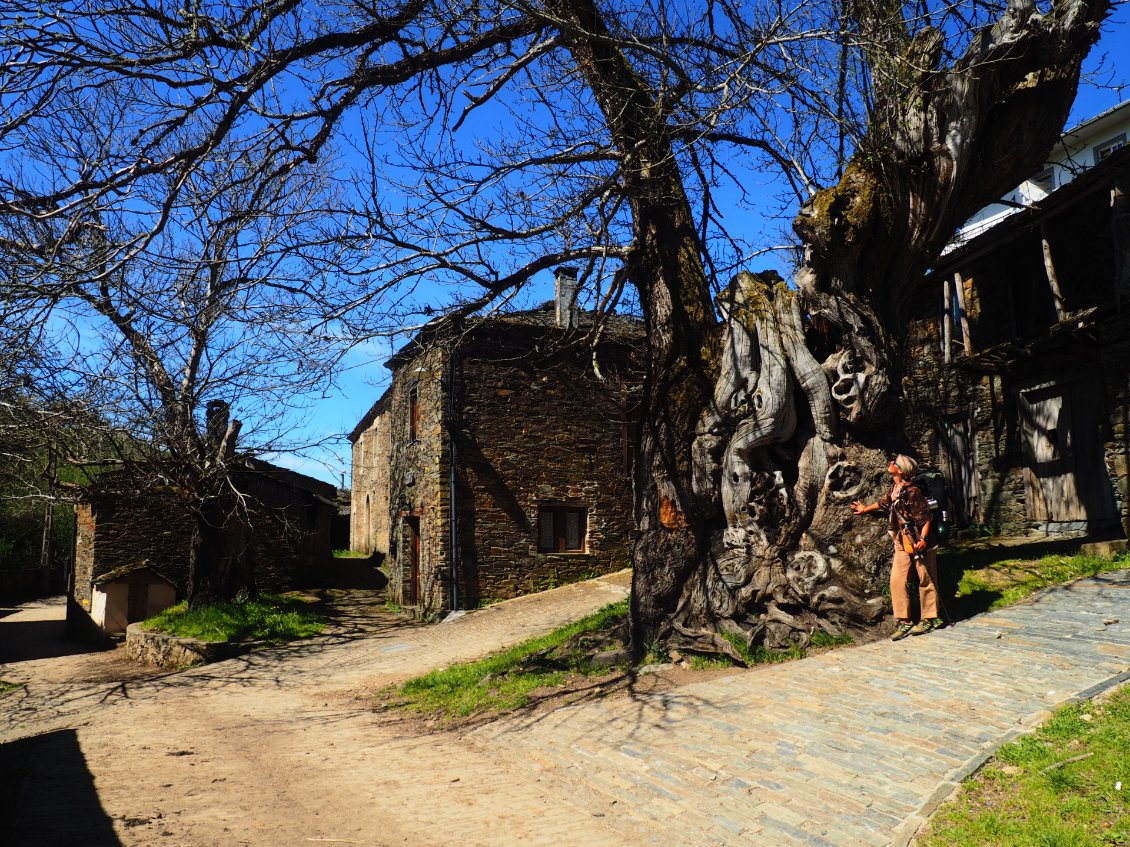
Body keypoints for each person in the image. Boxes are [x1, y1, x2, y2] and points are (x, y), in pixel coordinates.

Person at [851, 454, 945, 641]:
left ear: (901, 470)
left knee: (926, 579)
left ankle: (929, 618)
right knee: (897, 580)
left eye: (894, 462)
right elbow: (884, 503)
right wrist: (865, 509)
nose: (890, 463)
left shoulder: (913, 492)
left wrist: (923, 540)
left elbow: (926, 518)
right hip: (903, 541)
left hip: (920, 541)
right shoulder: (895, 488)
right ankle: (904, 620)